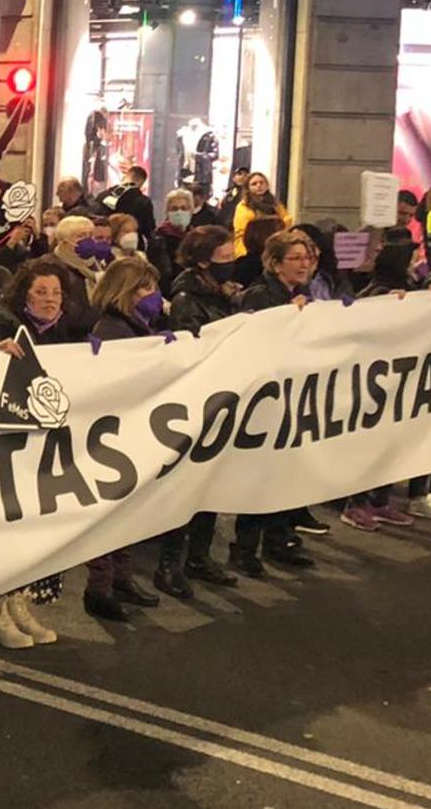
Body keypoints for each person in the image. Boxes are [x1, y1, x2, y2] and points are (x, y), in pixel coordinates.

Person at [0, 260, 83, 649]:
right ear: (24, 294)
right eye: (41, 292)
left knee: (37, 524)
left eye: (56, 293)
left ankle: (23, 601)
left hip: (46, 445)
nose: (49, 300)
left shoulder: (66, 332)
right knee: (7, 523)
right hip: (6, 444)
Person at [80, 259, 168, 621]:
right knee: (110, 512)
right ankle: (99, 588)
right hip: (112, 433)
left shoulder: (136, 325)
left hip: (131, 427)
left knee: (129, 509)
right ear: (125, 292)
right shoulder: (113, 329)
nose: (153, 295)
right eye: (145, 288)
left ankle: (121, 578)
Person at [231, 230, 323, 574]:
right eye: (295, 258)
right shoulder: (260, 296)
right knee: (261, 475)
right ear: (275, 262)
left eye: (306, 258)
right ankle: (244, 549)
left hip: (293, 394)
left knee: (286, 472)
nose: (303, 265)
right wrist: (289, 315)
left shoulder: (301, 294)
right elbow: (254, 340)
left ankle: (279, 539)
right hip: (264, 398)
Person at [156, 226, 241, 594]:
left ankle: (200, 555)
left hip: (222, 395)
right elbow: (192, 347)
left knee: (214, 481)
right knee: (189, 485)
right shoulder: (189, 298)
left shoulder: (219, 293)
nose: (231, 263)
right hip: (199, 400)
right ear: (204, 260)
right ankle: (169, 564)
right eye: (225, 257)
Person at [228, 171, 291, 254]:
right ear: (248, 188)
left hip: (275, 246)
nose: (259, 186)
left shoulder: (275, 204)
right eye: (254, 184)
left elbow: (286, 220)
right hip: (249, 248)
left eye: (261, 183)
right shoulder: (244, 206)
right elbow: (242, 231)